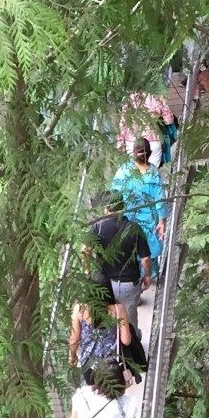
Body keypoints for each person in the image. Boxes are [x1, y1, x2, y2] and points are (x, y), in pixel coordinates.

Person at [88, 192, 151, 328]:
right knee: (129, 321)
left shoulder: (97, 228)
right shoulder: (133, 228)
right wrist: (147, 276)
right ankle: (132, 345)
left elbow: (85, 250)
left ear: (106, 208)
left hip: (104, 285)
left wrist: (87, 271)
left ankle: (113, 346)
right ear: (122, 206)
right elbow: (145, 259)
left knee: (107, 320)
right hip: (129, 283)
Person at [111, 139, 169, 275]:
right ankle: (150, 274)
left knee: (129, 245)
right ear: (149, 153)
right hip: (148, 219)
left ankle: (132, 275)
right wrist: (162, 221)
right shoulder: (154, 173)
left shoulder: (124, 170)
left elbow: (114, 194)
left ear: (133, 153)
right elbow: (160, 199)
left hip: (128, 217)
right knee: (148, 247)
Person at [67, 298, 136, 380]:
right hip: (112, 363)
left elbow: (74, 340)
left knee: (95, 385)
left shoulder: (79, 309)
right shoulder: (118, 309)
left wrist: (72, 356)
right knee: (113, 385)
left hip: (89, 363)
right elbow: (126, 341)